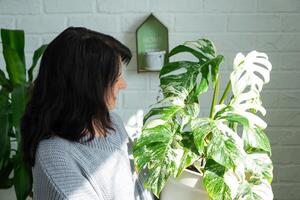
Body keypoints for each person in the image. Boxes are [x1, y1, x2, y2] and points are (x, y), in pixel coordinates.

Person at [20, 27, 154, 200]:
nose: (123, 85)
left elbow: (139, 188)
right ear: (87, 87)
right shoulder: (55, 158)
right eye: (116, 77)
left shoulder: (112, 123)